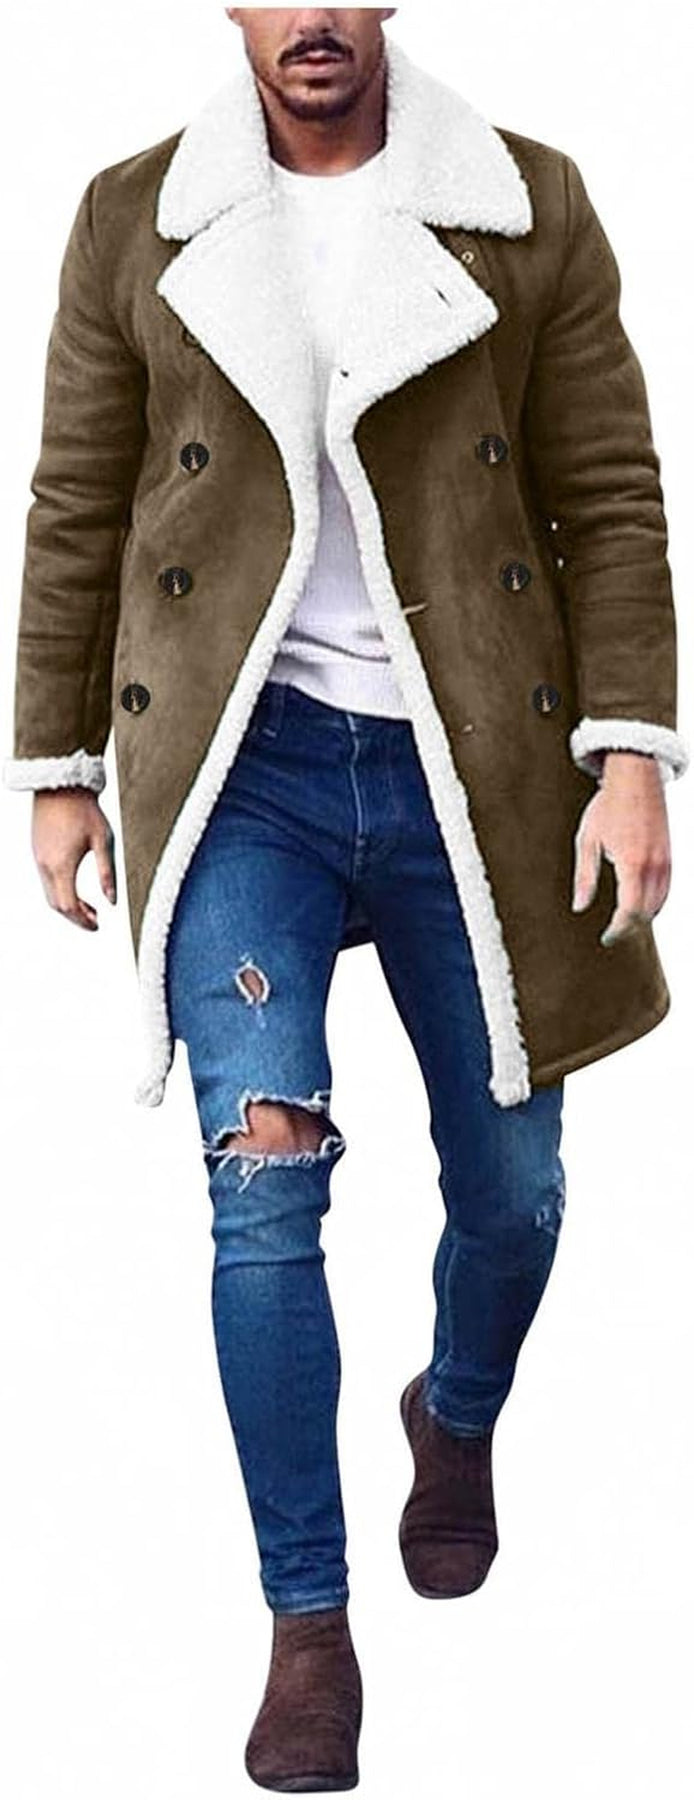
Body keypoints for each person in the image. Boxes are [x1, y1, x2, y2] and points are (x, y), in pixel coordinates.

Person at [4, 8, 689, 1791]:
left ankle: (451, 1414)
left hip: (482, 756)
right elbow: (77, 498)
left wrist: (629, 753)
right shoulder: (134, 214)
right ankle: (306, 1622)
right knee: (262, 1184)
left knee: (516, 1190)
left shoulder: (526, 200)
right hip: (245, 763)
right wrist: (57, 763)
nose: (309, 15)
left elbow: (608, 494)